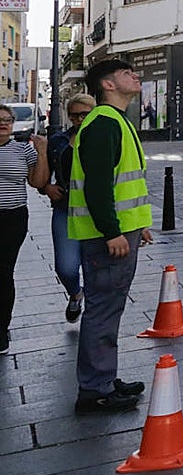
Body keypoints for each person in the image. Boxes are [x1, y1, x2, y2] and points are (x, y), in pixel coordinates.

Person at [70, 60, 153, 414]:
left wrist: (137, 225)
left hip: (119, 232)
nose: (135, 77)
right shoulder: (103, 124)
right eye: (126, 73)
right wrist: (113, 232)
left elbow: (123, 182)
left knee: (109, 308)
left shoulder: (115, 121)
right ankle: (95, 389)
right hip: (106, 237)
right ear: (107, 84)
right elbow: (98, 186)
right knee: (103, 310)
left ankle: (103, 378)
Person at [40, 94, 95, 323]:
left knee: (95, 270)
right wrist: (46, 188)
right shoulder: (58, 141)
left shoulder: (102, 138)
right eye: (74, 115)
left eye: (85, 114)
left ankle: (94, 318)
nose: (79, 119)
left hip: (95, 211)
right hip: (65, 209)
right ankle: (75, 293)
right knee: (66, 267)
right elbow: (42, 174)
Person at [0, 104, 48, 354]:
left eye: (7, 119)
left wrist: (41, 153)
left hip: (12, 218)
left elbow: (38, 182)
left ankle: (1, 328)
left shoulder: (22, 149)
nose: (3, 124)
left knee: (3, 272)